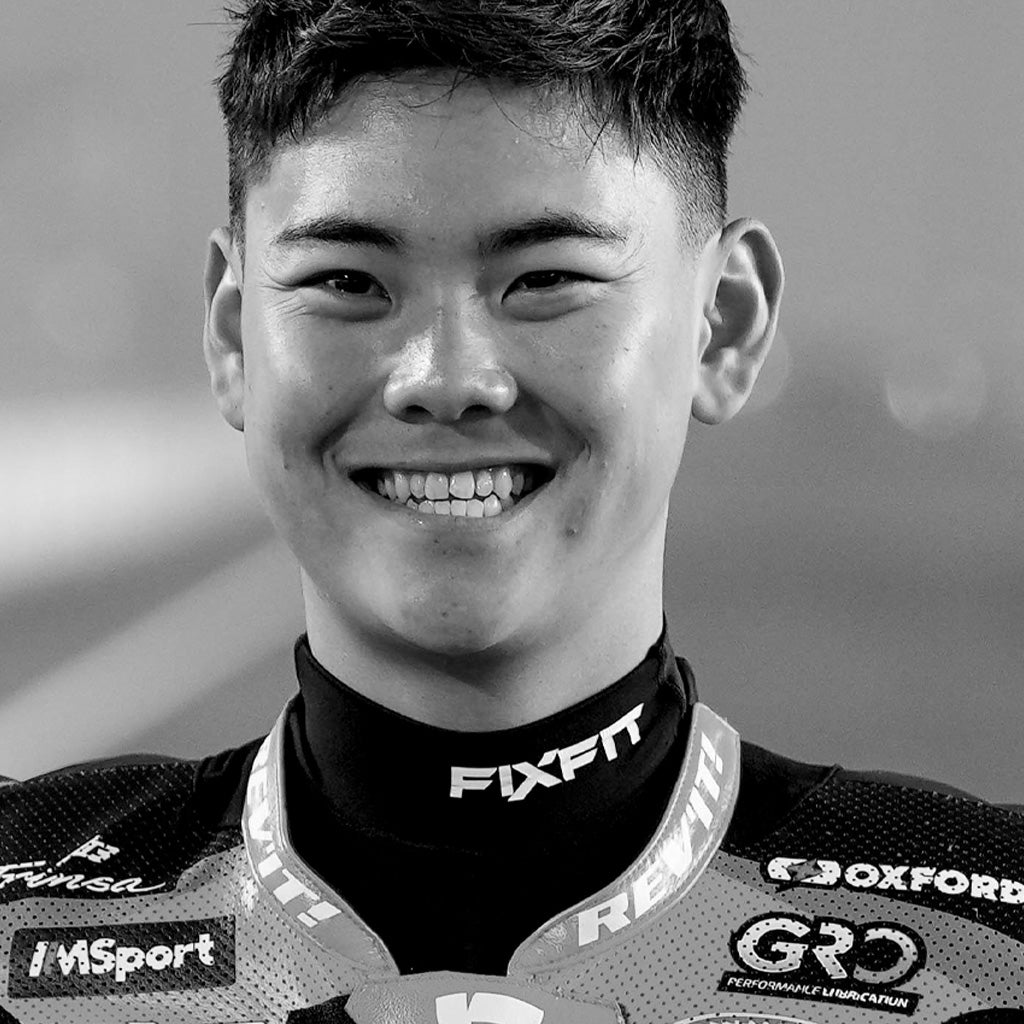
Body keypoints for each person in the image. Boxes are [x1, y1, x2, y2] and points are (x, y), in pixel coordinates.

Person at [1, 1, 1021, 1022]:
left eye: (545, 281)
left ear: (724, 323)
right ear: (233, 336)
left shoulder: (995, 952)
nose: (445, 378)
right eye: (348, 281)